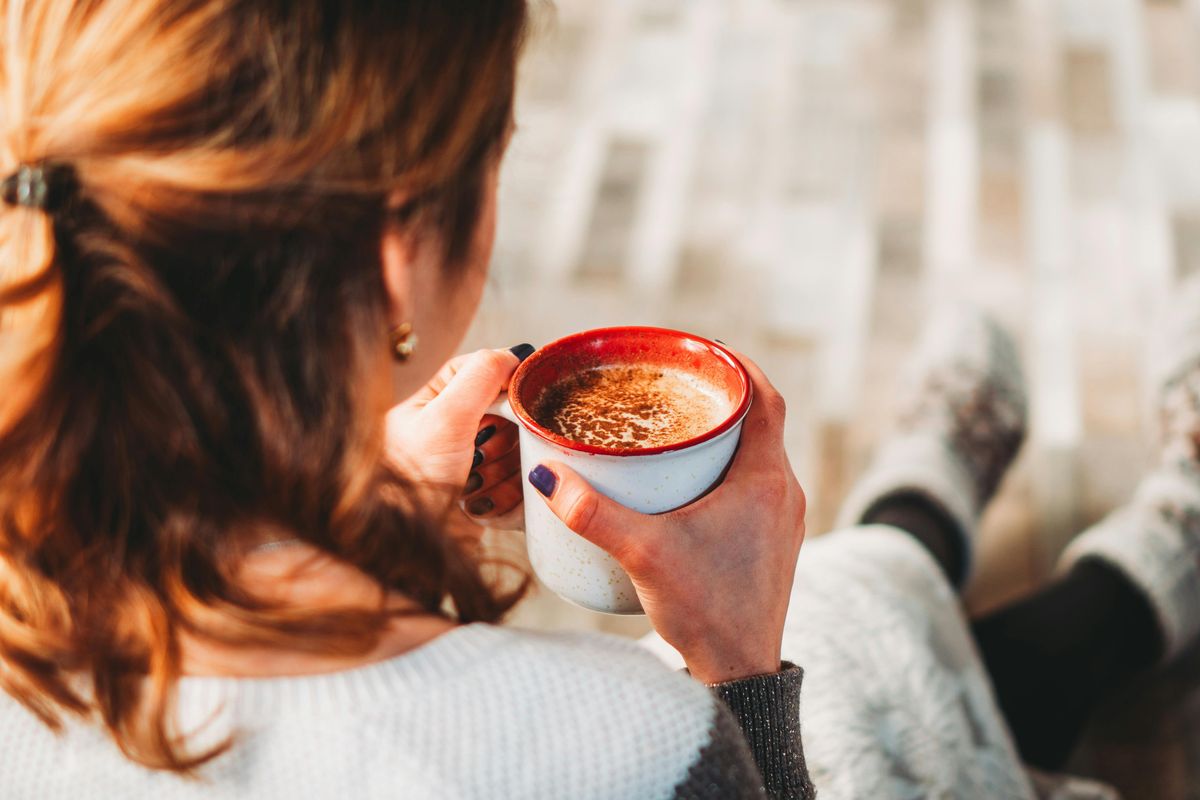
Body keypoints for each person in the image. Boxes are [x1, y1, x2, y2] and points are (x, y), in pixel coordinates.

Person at [0, 3, 1195, 800]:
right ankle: (1060, 550)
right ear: (397, 250)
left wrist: (369, 499)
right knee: (843, 605)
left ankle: (979, 521)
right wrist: (735, 666)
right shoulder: (617, 744)